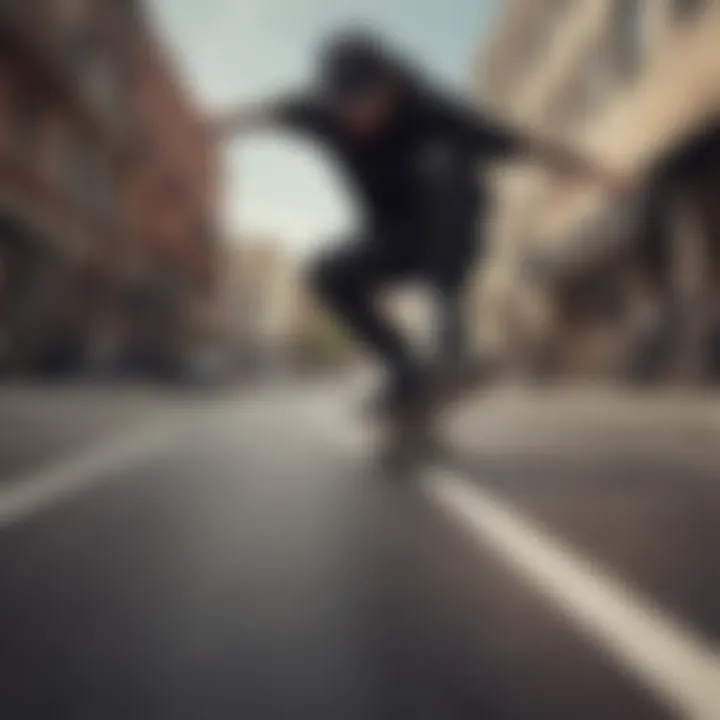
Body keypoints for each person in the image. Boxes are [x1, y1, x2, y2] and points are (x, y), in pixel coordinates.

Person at [215, 30, 626, 416]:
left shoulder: (432, 110)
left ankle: (451, 338)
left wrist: (596, 173)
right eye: (346, 107)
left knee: (442, 163)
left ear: (389, 84)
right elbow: (266, 113)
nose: (358, 118)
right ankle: (402, 370)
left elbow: (521, 144)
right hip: (393, 241)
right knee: (325, 271)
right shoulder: (320, 113)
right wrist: (215, 125)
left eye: (366, 102)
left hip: (451, 232)